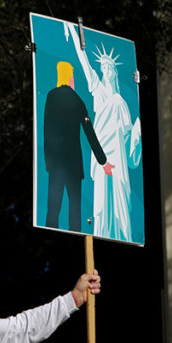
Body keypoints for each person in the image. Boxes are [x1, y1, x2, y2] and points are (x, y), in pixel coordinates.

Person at [66, 25, 142, 242]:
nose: (106, 72)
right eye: (104, 69)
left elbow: (130, 150)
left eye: (109, 69)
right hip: (102, 158)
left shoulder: (122, 103)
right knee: (102, 205)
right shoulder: (98, 92)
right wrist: (74, 34)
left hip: (117, 156)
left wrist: (136, 136)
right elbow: (85, 63)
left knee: (121, 205)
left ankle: (121, 233)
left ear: (115, 73)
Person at [44, 60, 113, 232]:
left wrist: (49, 163)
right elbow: (90, 133)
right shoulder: (78, 101)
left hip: (57, 164)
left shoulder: (51, 96)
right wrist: (103, 162)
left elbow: (46, 130)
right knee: (75, 212)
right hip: (74, 165)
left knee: (53, 210)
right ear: (69, 77)